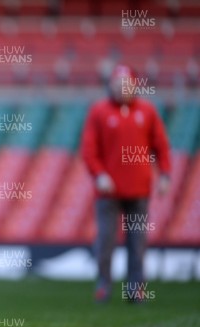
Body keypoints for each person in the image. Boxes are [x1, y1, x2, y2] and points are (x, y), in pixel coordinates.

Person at [81, 64, 170, 303]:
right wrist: (99, 174)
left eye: (126, 84)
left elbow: (161, 145)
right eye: (117, 84)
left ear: (134, 86)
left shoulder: (148, 112)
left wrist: (165, 175)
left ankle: (135, 289)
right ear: (110, 86)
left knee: (137, 241)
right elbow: (89, 149)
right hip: (107, 192)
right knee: (106, 240)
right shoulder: (99, 112)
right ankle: (104, 285)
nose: (122, 88)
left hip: (139, 190)